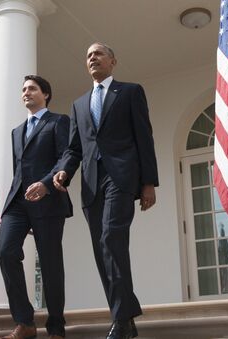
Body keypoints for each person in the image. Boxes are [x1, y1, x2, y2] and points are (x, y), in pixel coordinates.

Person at [53, 42, 159, 339]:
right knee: (103, 249)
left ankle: (122, 318)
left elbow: (144, 137)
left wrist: (148, 182)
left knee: (112, 235)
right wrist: (64, 170)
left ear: (113, 61)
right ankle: (125, 316)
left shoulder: (130, 92)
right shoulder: (78, 104)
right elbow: (74, 148)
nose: (92, 58)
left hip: (122, 178)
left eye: (98, 54)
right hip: (90, 183)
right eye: (88, 56)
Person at [0, 75, 72, 339]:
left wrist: (45, 184)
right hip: (18, 202)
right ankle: (25, 322)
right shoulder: (16, 131)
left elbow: (66, 157)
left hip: (49, 200)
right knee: (6, 251)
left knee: (51, 264)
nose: (26, 93)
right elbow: (19, 169)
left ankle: (56, 328)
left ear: (46, 94)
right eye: (23, 90)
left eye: (32, 89)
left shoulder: (59, 122)